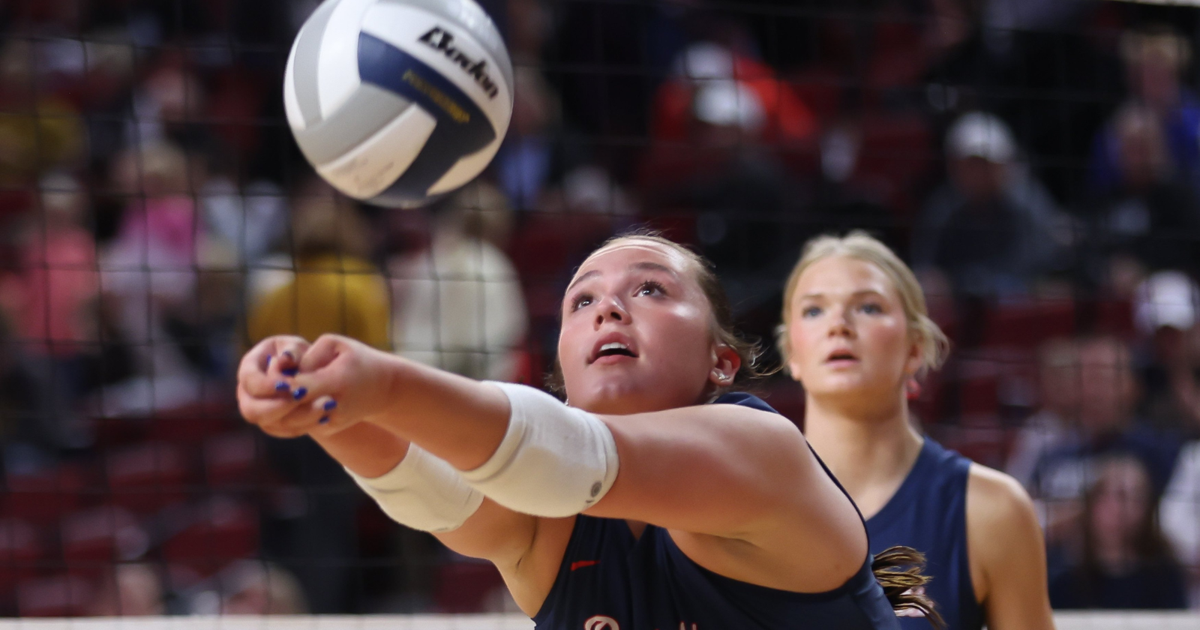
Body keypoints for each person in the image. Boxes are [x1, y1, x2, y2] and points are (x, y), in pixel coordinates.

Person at [237, 233, 940, 629]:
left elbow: (564, 456)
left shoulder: (765, 452)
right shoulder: (551, 517)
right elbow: (434, 492)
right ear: (563, 380)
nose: (609, 308)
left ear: (721, 361)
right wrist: (321, 401)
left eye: (650, 288)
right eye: (581, 301)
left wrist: (382, 384)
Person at [777, 232, 1054, 630]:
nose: (838, 325)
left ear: (915, 348)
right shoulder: (740, 503)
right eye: (814, 310)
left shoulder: (991, 509)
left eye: (868, 307)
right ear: (791, 352)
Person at [1049, 455, 1188, 610]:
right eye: (1110, 496)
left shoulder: (1163, 575)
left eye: (1136, 499)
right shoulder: (1064, 574)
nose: (1120, 510)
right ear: (1091, 502)